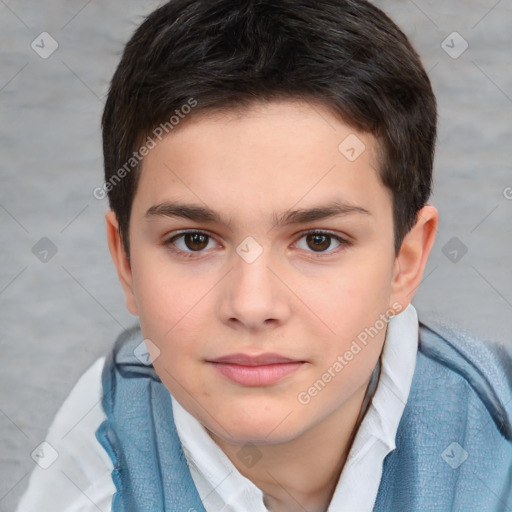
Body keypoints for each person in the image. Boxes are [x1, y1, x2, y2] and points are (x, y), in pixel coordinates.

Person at [17, 0, 512, 511]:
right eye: (194, 241)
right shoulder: (105, 441)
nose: (252, 305)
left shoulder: (497, 431)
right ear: (125, 261)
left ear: (404, 262)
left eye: (319, 240)